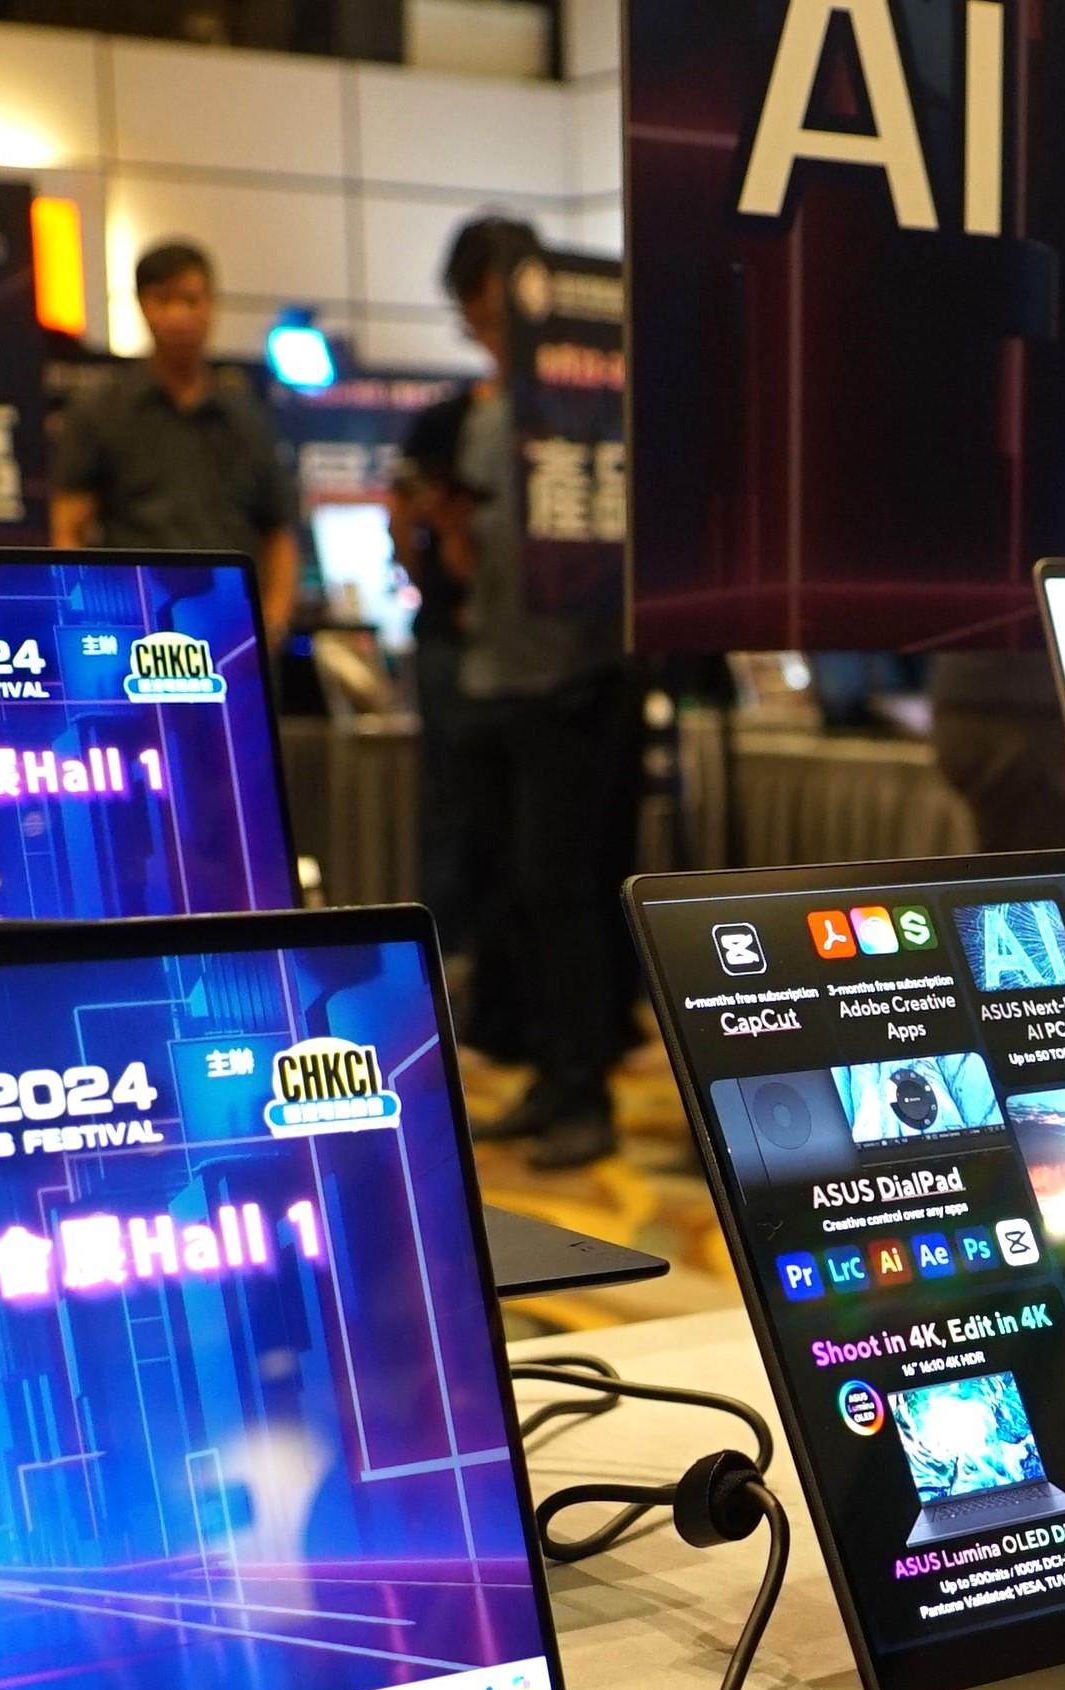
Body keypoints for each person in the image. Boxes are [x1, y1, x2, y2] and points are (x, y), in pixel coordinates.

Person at [394, 216, 640, 1172]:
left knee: (564, 889)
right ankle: (550, 1075)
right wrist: (443, 525)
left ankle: (585, 1089)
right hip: (492, 674)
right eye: (483, 304)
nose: (497, 320)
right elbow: (459, 574)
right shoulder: (474, 417)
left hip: (575, 680)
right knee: (514, 892)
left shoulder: (594, 408)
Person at [49, 241, 300, 637]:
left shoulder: (249, 418)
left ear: (211, 305)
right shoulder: (100, 411)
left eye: (190, 299)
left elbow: (280, 532)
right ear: (142, 306)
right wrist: (92, 619)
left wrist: (274, 622)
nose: (178, 315)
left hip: (235, 631)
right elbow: (69, 529)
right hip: (137, 630)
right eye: (163, 300)